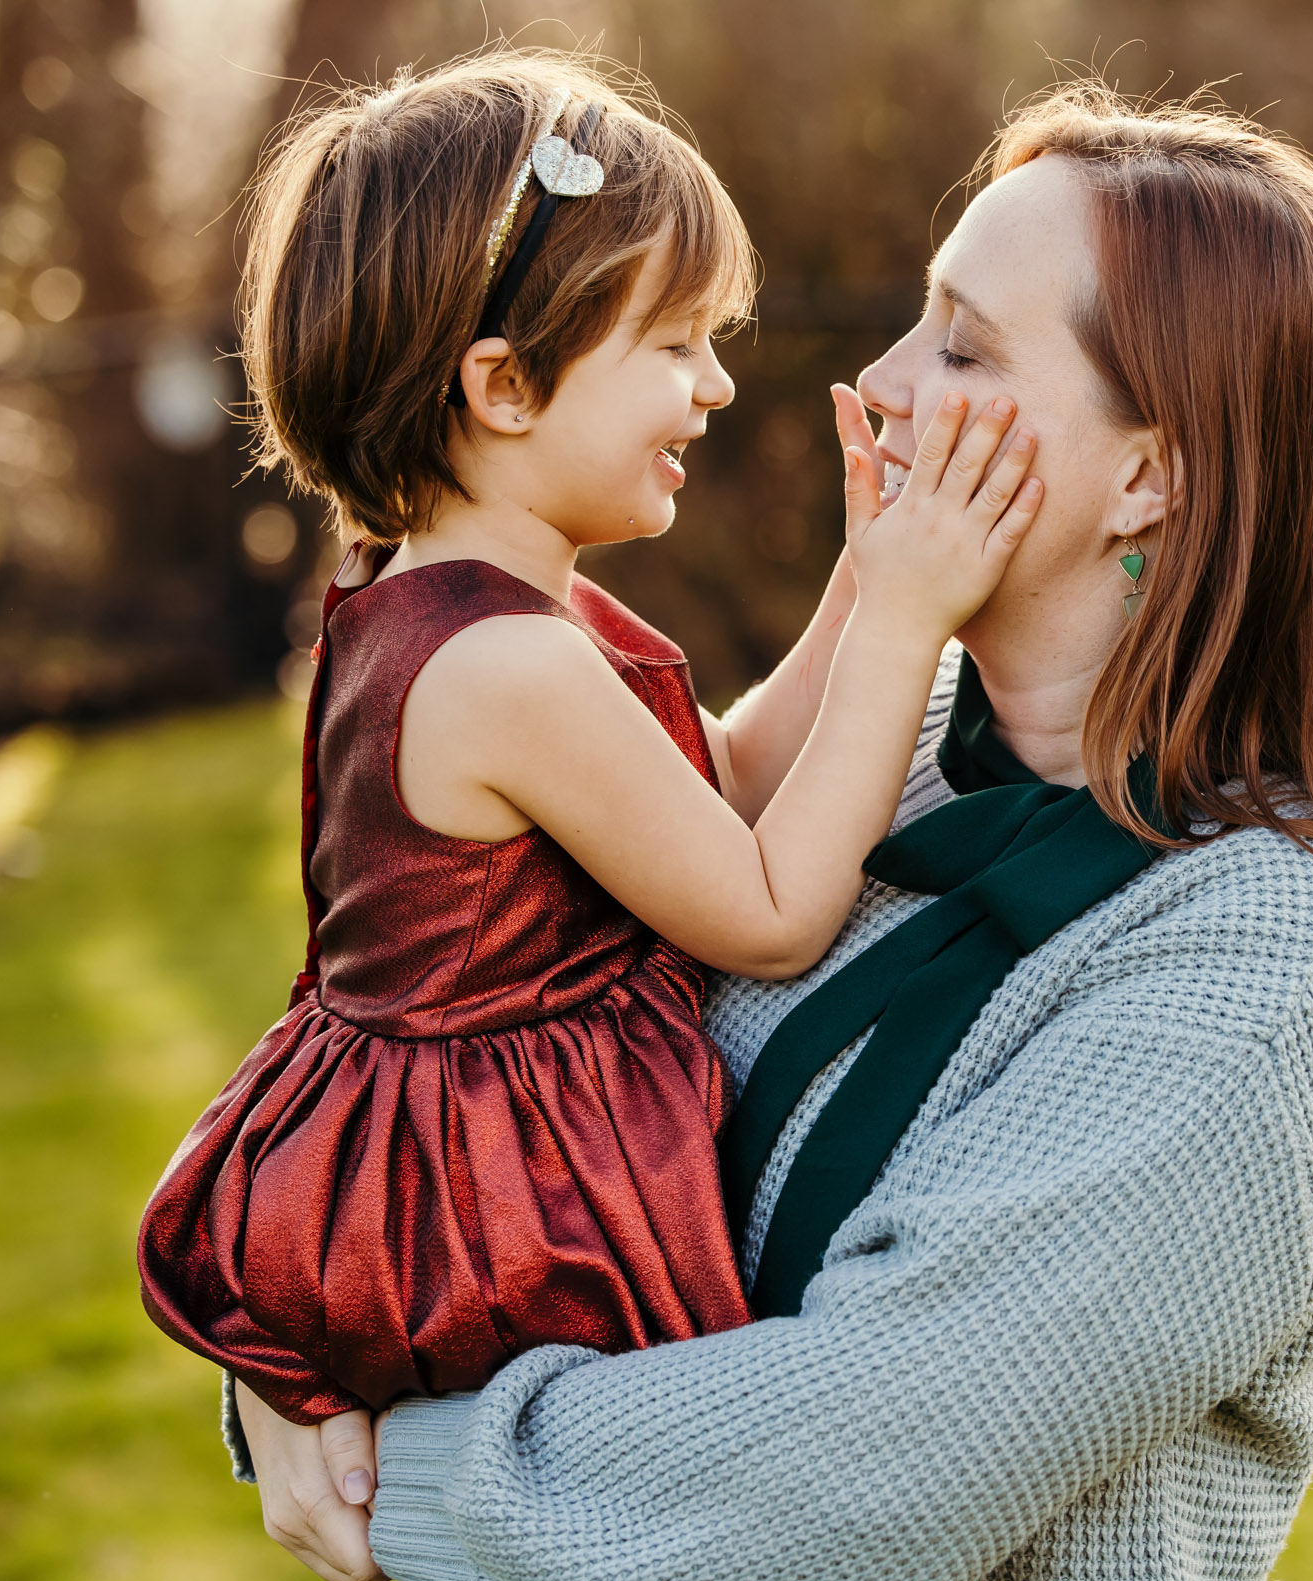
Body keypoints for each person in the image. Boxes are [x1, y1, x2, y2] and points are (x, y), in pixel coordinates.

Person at [238, 83, 1313, 1581]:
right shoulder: (884, 750)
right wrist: (298, 1351)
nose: (879, 385)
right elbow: (450, 1017)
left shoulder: (1267, 979)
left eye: (963, 349)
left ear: (1150, 478)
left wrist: (374, 1456)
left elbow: (822, 1486)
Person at [137, 53, 1043, 1449]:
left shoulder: (462, 592)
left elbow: (720, 787)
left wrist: (865, 579)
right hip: (501, 1206)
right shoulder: (505, 665)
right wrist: (909, 627)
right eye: (674, 346)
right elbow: (769, 911)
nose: (718, 386)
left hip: (473, 1144)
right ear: (501, 385)